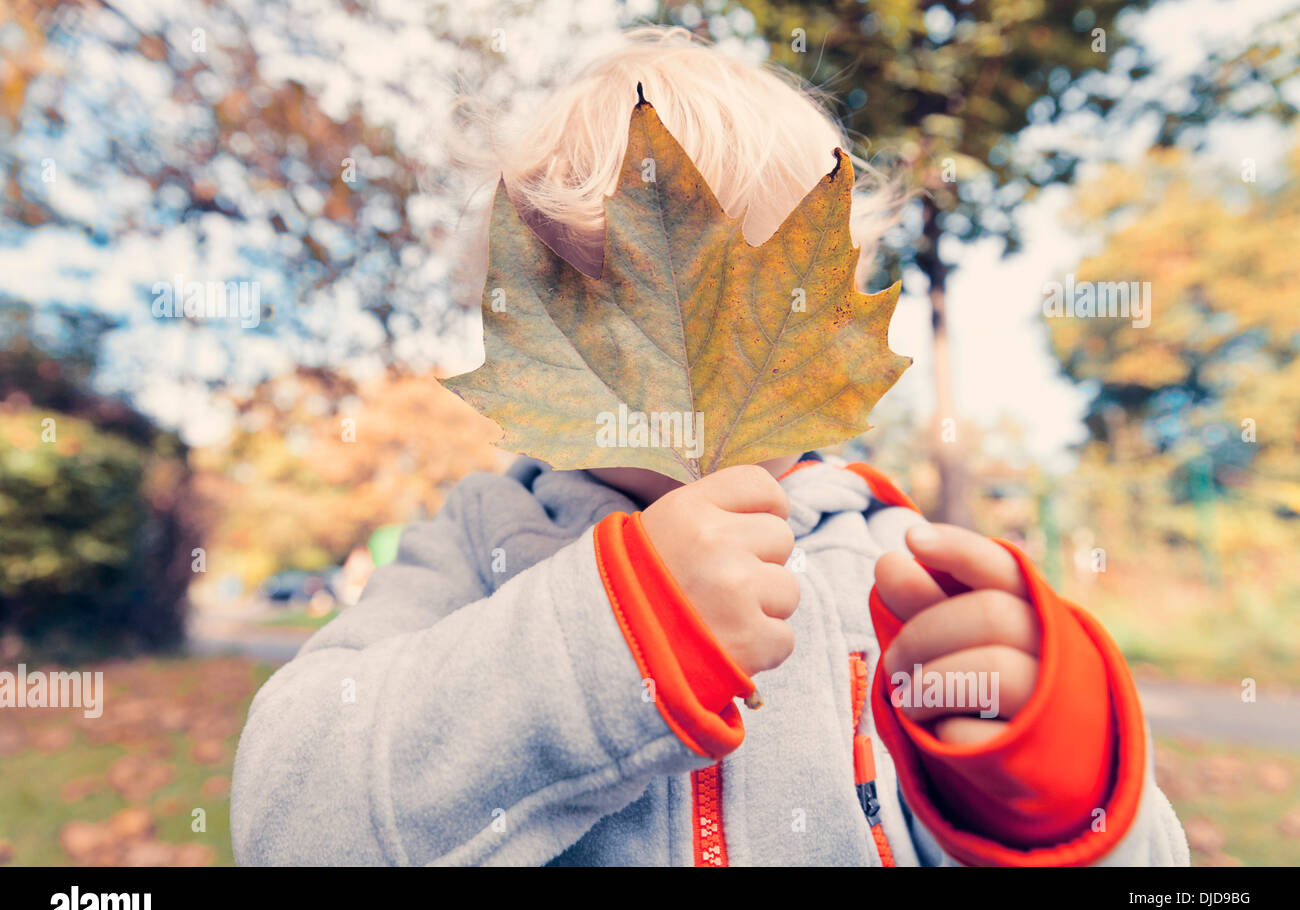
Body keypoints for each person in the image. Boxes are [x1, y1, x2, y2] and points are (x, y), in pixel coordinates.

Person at [231, 26, 1187, 867]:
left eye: (754, 319)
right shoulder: (482, 543)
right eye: (610, 317)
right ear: (523, 342)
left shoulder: (895, 560)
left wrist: (1050, 782)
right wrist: (611, 633)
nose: (689, 379)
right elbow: (289, 822)